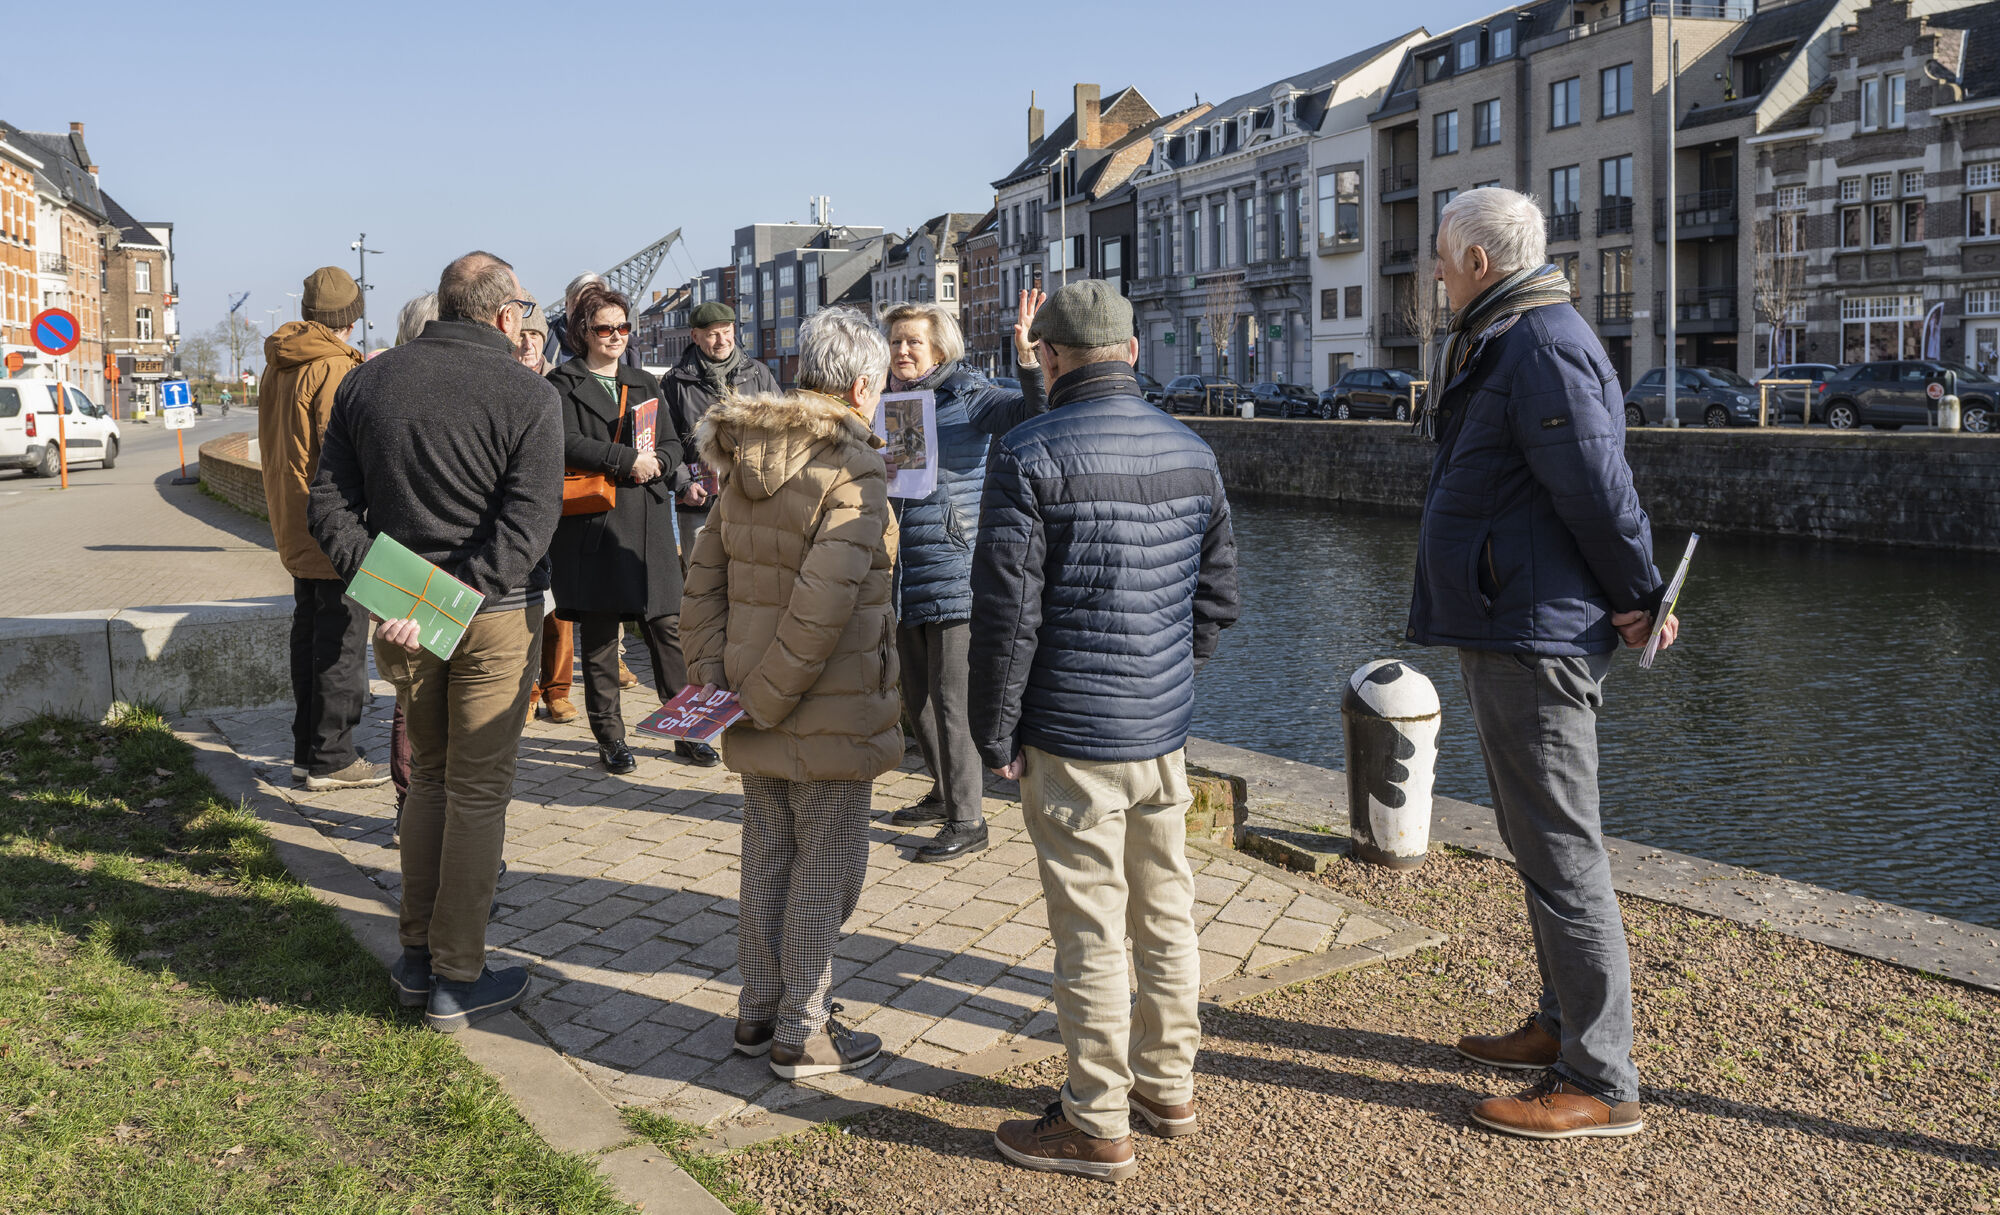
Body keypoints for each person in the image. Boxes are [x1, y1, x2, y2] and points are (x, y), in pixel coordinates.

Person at [1410, 187, 1677, 1140]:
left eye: (1442, 258)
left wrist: (1642, 595)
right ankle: (1562, 1024)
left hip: (1537, 634)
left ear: (1480, 262)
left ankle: (1601, 1079)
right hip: (1510, 621)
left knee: (1564, 852)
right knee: (1538, 842)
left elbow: (1599, 487)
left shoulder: (1541, 343)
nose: (1435, 273)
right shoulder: (1506, 335)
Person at [968, 279, 1239, 1182]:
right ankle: (1169, 1085)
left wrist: (993, 733)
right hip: (1161, 731)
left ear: (1048, 357)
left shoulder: (1027, 451)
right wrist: (1170, 677)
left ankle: (1095, 1119)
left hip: (1072, 731)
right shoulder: (1194, 452)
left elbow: (1006, 615)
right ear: (1129, 352)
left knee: (1089, 929)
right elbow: (1217, 598)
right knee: (1166, 909)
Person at [307, 250, 562, 1032]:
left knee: (432, 781)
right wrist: (463, 595)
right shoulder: (528, 395)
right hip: (490, 615)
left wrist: (392, 590)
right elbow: (526, 525)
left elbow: (328, 503)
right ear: (504, 312)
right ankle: (457, 973)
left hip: (403, 616)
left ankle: (417, 958)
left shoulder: (369, 379)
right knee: (476, 789)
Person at [681, 306, 901, 1080]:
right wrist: (769, 695)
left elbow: (702, 575)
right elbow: (824, 603)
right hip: (825, 705)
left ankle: (758, 1008)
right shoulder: (853, 464)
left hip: (751, 697)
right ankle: (803, 1029)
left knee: (767, 852)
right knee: (827, 866)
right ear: (863, 383)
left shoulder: (745, 453)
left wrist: (718, 678)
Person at [878, 292, 1047, 862]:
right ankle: (942, 790)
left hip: (954, 567)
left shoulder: (968, 396)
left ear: (939, 347)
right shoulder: (884, 403)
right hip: (902, 570)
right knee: (915, 697)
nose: (902, 350)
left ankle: (969, 819)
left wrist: (1027, 363)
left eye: (912, 342)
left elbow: (1032, 414)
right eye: (896, 341)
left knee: (953, 699)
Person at [546, 284, 710, 772]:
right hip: (596, 522)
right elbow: (565, 441)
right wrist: (625, 459)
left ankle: (686, 728)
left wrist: (658, 460)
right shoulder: (561, 384)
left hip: (649, 520)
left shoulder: (643, 381)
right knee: (599, 633)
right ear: (584, 332)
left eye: (622, 327)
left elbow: (672, 442)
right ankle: (610, 737)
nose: (615, 335)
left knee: (667, 627)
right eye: (604, 328)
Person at [258, 265, 385, 792]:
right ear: (349, 319)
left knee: (310, 635)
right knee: (342, 644)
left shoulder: (280, 362)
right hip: (334, 529)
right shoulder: (334, 369)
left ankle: (305, 752)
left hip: (294, 521)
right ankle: (333, 759)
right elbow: (344, 454)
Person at [660, 301, 779, 562]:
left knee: (753, 582)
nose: (721, 340)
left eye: (726, 331)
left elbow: (782, 434)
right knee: (701, 585)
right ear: (695, 336)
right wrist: (683, 486)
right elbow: (664, 441)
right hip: (699, 504)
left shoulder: (759, 374)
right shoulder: (675, 382)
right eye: (712, 334)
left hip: (753, 502)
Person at [514, 294, 577, 728]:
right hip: (514, 511)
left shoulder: (562, 384)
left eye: (535, 335)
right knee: (522, 606)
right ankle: (528, 691)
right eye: (521, 335)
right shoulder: (498, 382)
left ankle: (558, 691)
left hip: (559, 508)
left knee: (561, 608)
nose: (528, 344)